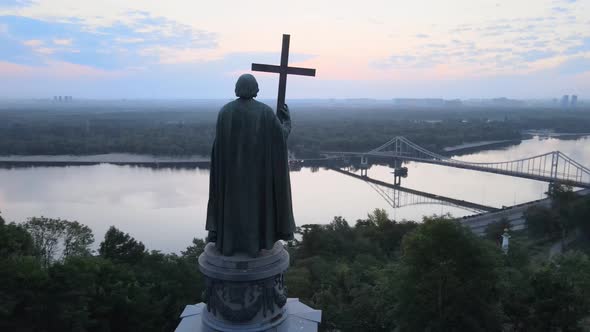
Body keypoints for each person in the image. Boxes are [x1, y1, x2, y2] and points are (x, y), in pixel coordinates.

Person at [205, 74, 295, 256]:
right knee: (255, 208)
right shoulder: (265, 112)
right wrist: (287, 122)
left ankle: (228, 243)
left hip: (230, 178)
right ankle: (254, 245)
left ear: (237, 88)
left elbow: (218, 149)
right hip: (256, 177)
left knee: (232, 207)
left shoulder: (225, 112)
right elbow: (280, 139)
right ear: (255, 89)